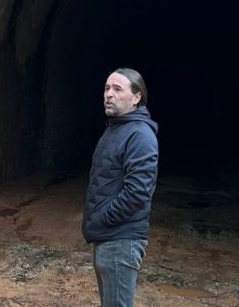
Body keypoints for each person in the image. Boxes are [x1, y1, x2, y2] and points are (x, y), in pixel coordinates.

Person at [82, 67, 160, 307]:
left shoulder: (140, 135)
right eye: (107, 88)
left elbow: (137, 193)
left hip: (120, 239)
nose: (109, 94)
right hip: (109, 237)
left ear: (136, 97)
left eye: (118, 89)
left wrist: (103, 219)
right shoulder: (116, 129)